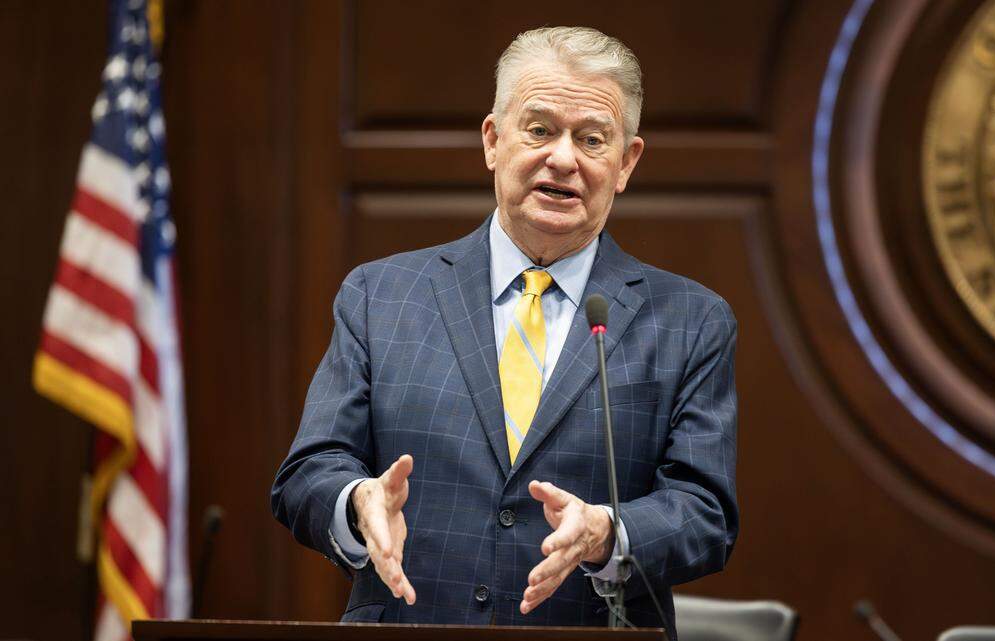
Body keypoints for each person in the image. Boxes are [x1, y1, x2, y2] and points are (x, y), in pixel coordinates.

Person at [270, 26, 738, 637]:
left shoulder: (691, 320)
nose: (563, 159)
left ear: (626, 163)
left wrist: (606, 533)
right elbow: (309, 470)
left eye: (592, 139)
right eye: (540, 129)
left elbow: (706, 514)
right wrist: (356, 503)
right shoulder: (379, 295)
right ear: (493, 140)